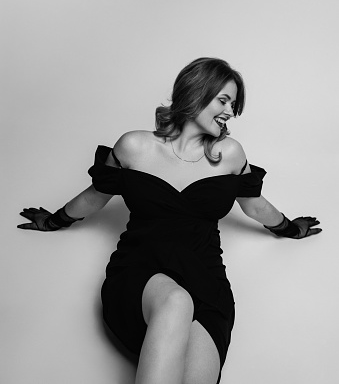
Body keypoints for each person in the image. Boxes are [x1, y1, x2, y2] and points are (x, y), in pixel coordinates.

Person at [18, 57, 322, 384]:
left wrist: (289, 227)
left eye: (233, 104)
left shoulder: (231, 154)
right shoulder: (134, 146)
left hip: (205, 280)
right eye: (223, 100)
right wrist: (55, 220)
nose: (230, 112)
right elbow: (95, 196)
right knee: (177, 301)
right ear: (195, 93)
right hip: (142, 272)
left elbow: (254, 205)